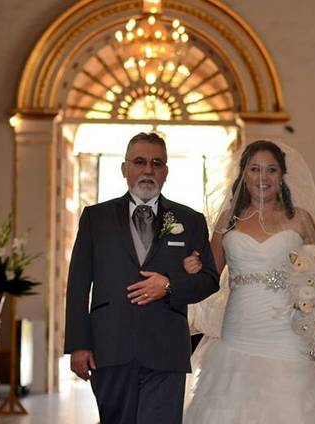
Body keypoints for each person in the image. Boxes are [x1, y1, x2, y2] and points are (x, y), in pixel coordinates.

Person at [64, 132, 220, 424]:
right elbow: (78, 285)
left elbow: (210, 279)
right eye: (140, 162)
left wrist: (170, 285)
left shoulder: (190, 220)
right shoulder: (95, 218)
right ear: (125, 169)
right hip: (110, 347)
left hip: (166, 349)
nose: (148, 169)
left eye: (156, 163)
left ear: (166, 172)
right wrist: (78, 345)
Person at [182, 140, 315, 423]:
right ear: (244, 174)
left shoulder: (300, 220)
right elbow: (209, 277)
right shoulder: (227, 221)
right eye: (255, 169)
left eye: (271, 170)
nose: (262, 177)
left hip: (285, 329)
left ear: (282, 176)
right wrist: (191, 268)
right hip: (241, 326)